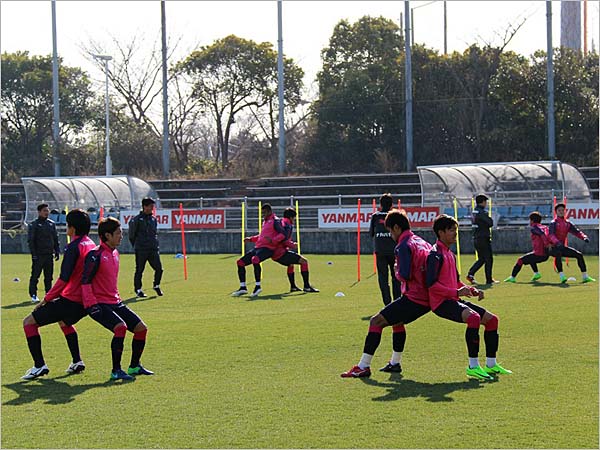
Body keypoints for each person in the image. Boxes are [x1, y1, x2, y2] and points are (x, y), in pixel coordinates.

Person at [341, 210, 432, 378]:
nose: (390, 235)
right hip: (427, 297)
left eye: (390, 230)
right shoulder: (421, 241)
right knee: (397, 322)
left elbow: (405, 275)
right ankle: (395, 363)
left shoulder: (403, 245)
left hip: (415, 297)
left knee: (376, 321)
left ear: (396, 227)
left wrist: (397, 271)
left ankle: (363, 366)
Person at [427, 214, 511, 380]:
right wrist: (457, 293)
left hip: (453, 299)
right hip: (441, 303)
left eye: (455, 230)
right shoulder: (434, 255)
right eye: (452, 230)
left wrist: (471, 290)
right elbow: (432, 285)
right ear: (441, 232)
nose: (455, 233)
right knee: (473, 318)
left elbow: (455, 281)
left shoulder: (450, 254)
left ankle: (491, 364)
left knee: (492, 320)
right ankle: (473, 366)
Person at [21, 209, 96, 380]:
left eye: (67, 225)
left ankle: (39, 366)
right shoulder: (90, 243)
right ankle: (77, 361)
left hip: (71, 300)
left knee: (28, 323)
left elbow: (63, 279)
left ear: (73, 228)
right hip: (85, 301)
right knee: (64, 322)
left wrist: (46, 299)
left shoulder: (73, 247)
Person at [82, 217, 154, 381]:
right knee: (120, 327)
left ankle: (134, 366)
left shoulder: (115, 253)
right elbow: (85, 282)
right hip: (99, 304)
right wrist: (91, 304)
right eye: (118, 233)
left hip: (116, 302)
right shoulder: (95, 255)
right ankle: (116, 371)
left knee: (141, 329)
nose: (121, 236)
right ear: (107, 235)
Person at [231, 203, 286, 298]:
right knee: (240, 262)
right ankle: (243, 288)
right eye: (262, 213)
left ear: (270, 211)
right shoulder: (265, 221)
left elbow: (282, 234)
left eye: (264, 213)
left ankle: (257, 286)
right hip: (258, 247)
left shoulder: (275, 221)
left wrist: (273, 240)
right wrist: (251, 239)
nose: (263, 215)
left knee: (255, 260)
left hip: (268, 248)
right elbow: (262, 236)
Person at [272, 207, 319, 293]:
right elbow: (284, 239)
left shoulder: (281, 222)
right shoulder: (287, 225)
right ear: (291, 217)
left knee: (291, 264)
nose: (294, 220)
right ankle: (307, 287)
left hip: (274, 253)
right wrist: (293, 245)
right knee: (304, 261)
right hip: (280, 253)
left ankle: (293, 287)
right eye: (294, 218)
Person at [548, 203, 595, 284]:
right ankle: (562, 276)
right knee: (558, 254)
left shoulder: (568, 223)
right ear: (556, 212)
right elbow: (551, 235)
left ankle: (585, 277)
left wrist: (584, 237)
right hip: (552, 247)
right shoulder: (553, 223)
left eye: (563, 210)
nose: (561, 212)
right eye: (559, 210)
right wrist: (557, 242)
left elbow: (577, 232)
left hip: (562, 247)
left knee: (579, 255)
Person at [369, 193, 401, 305]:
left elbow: (371, 233)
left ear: (380, 205)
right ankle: (396, 303)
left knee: (383, 278)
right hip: (395, 251)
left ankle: (387, 304)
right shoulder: (396, 215)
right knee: (396, 277)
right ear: (392, 205)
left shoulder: (375, 216)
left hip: (380, 251)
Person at [128, 197, 163, 298]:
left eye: (153, 206)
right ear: (145, 206)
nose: (152, 208)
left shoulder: (153, 219)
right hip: (141, 249)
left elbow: (154, 233)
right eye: (151, 206)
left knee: (159, 269)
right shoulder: (136, 220)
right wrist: (137, 245)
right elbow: (131, 235)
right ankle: (138, 289)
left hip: (153, 249)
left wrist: (155, 244)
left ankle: (156, 285)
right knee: (140, 270)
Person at [504, 212, 553, 283]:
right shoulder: (545, 227)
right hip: (546, 254)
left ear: (532, 220)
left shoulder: (534, 228)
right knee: (531, 258)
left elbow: (542, 234)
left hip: (539, 254)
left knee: (520, 260)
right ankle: (536, 274)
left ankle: (512, 277)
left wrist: (546, 244)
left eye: (529, 220)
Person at [27, 203, 60, 302]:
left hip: (49, 254)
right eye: (44, 210)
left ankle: (48, 294)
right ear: (39, 212)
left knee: (49, 277)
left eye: (47, 210)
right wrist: (34, 254)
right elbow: (31, 240)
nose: (47, 212)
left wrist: (57, 250)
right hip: (39, 255)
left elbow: (55, 238)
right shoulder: (34, 224)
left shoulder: (51, 224)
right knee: (35, 275)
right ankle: (33, 295)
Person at [466, 194, 498, 285]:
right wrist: (489, 219)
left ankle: (470, 274)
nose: (486, 203)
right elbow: (490, 223)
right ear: (483, 202)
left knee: (482, 259)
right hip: (483, 238)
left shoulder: (474, 211)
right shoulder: (482, 212)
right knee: (488, 259)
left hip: (476, 237)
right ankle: (489, 279)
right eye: (485, 201)